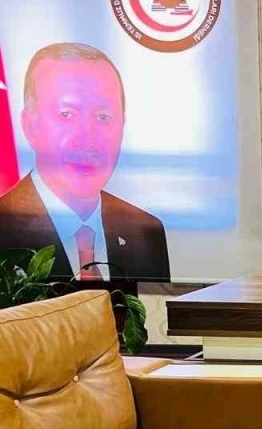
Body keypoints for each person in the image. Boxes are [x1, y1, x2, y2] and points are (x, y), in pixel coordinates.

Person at [0, 42, 170, 281]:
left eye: (103, 117)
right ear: (30, 126)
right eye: (66, 115)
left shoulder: (146, 232)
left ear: (122, 126)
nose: (86, 138)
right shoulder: (4, 226)